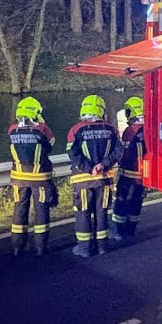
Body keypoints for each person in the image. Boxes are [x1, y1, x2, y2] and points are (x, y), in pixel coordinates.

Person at [66, 95, 122, 257]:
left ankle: (84, 248)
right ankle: (102, 246)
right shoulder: (111, 129)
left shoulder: (76, 130)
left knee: (83, 213)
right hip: (103, 180)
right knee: (101, 212)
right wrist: (103, 165)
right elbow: (118, 151)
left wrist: (90, 168)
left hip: (83, 180)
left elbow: (73, 153)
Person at [8, 97, 56, 256]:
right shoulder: (43, 129)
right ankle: (41, 247)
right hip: (39, 178)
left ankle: (17, 246)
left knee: (19, 210)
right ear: (35, 113)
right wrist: (41, 124)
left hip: (18, 178)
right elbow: (50, 145)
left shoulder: (12, 130)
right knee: (41, 211)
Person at [111, 97, 147, 240]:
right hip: (143, 175)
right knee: (136, 203)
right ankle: (131, 230)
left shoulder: (129, 131)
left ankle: (120, 232)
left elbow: (124, 154)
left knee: (121, 201)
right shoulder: (149, 129)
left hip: (128, 174)